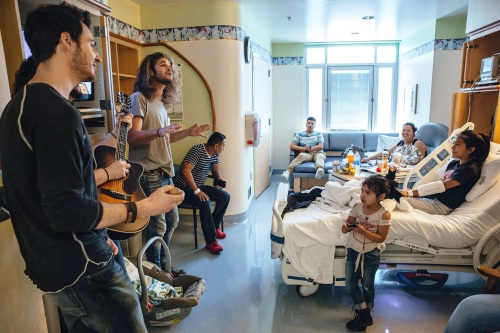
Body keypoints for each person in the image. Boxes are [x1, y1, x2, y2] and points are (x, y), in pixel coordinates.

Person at [0, 3, 184, 332]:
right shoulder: (58, 115)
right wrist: (143, 206)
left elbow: (58, 192)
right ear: (66, 41)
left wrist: (99, 235)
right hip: (81, 266)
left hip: (53, 266)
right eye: (91, 44)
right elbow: (69, 212)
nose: (97, 55)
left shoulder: (18, 107)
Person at [127, 52, 211, 271]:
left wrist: (188, 133)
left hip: (165, 172)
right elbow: (132, 136)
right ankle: (155, 272)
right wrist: (159, 130)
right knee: (158, 225)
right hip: (148, 171)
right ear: (150, 71)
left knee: (171, 221)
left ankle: (162, 266)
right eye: (163, 64)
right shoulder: (139, 99)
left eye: (170, 65)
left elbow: (165, 137)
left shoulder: (161, 104)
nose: (169, 68)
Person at [341, 175, 392, 331]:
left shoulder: (384, 214)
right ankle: (364, 314)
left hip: (371, 254)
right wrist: (346, 227)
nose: (362, 195)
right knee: (350, 283)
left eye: (368, 193)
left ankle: (364, 315)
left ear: (381, 197)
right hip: (353, 250)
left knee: (368, 286)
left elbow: (380, 238)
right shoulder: (357, 206)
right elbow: (347, 224)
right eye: (362, 191)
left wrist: (362, 231)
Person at [399, 130, 489, 215]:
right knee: (394, 195)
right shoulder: (454, 163)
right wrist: (413, 193)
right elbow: (439, 182)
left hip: (441, 205)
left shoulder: (469, 170)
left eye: (457, 144)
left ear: (470, 150)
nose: (452, 147)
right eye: (453, 143)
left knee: (396, 198)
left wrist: (410, 193)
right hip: (432, 198)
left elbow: (441, 186)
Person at [174, 132, 230, 254]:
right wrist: (197, 191)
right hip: (182, 188)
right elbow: (186, 171)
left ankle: (213, 227)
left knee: (225, 197)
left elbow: (216, 170)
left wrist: (219, 181)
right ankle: (210, 241)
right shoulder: (197, 150)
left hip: (198, 186)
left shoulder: (214, 155)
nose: (223, 149)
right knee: (204, 202)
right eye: (223, 146)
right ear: (216, 146)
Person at [281, 116, 326, 182]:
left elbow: (321, 146)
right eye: (309, 123)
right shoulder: (299, 134)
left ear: (315, 125)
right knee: (301, 155)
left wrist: (310, 148)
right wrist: (303, 148)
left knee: (320, 156)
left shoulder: (319, 134)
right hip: (306, 154)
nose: (310, 125)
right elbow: (292, 146)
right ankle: (287, 172)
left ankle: (319, 170)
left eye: (312, 123)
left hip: (318, 152)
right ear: (306, 124)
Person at [361, 122, 428, 166]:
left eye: (408, 131)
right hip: (393, 167)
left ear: (413, 133)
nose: (405, 132)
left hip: (407, 172)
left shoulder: (418, 143)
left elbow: (419, 161)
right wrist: (368, 159)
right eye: (404, 130)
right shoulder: (401, 143)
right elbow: (386, 153)